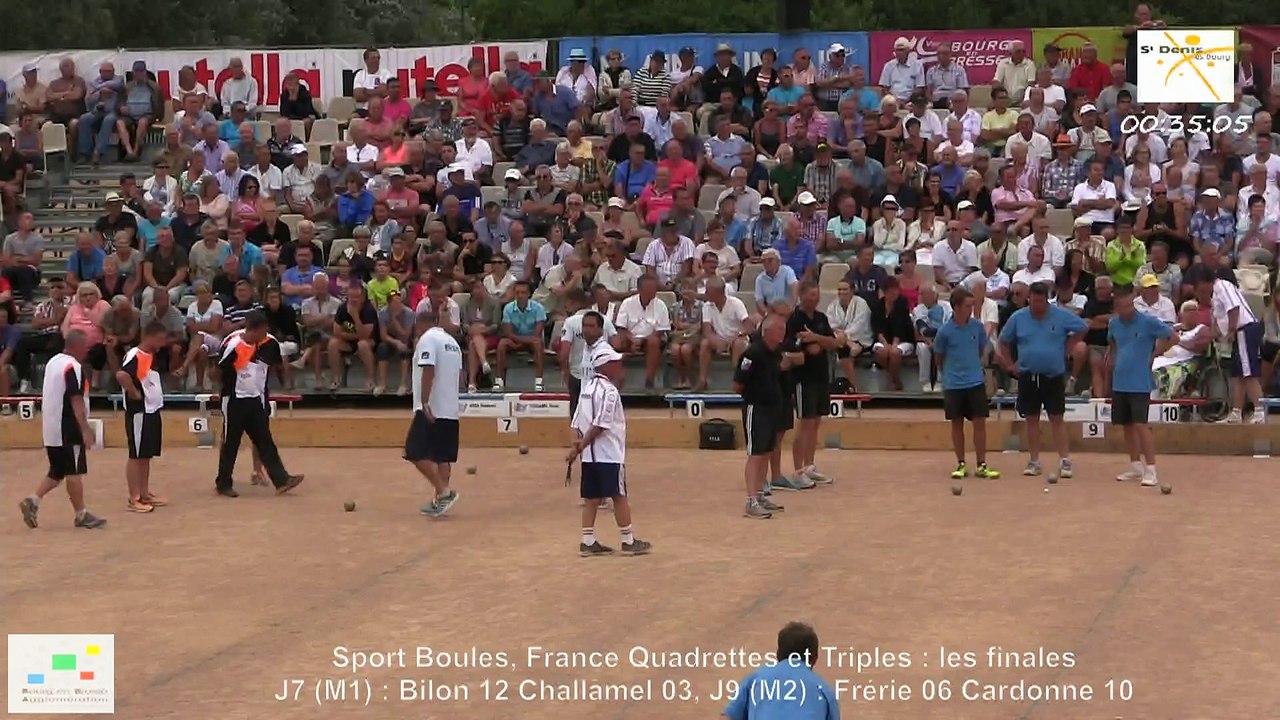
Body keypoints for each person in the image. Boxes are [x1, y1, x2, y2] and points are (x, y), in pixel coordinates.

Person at [17, 330, 108, 530]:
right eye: (84, 347)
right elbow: (75, 398)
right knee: (74, 471)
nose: (86, 351)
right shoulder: (72, 366)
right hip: (68, 428)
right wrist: (85, 428)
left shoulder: (53, 362)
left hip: (51, 428)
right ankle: (81, 514)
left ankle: (33, 501)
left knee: (57, 471)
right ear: (76, 346)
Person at [996, 281, 1087, 478]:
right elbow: (1003, 341)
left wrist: (1068, 346)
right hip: (1028, 375)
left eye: (1041, 301)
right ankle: (1034, 461)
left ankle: (1065, 460)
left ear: (1047, 300)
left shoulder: (1060, 315)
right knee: (1031, 420)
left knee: (1057, 419)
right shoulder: (1018, 317)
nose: (1037, 305)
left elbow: (1081, 327)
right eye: (1034, 301)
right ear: (1029, 299)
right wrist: (1011, 365)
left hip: (1053, 375)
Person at [567, 344, 651, 557]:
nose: (620, 366)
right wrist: (580, 447)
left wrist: (576, 447)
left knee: (592, 498)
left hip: (589, 458)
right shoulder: (610, 392)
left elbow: (576, 423)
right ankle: (628, 540)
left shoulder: (586, 390)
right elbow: (601, 425)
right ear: (606, 366)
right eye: (616, 363)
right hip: (609, 454)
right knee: (619, 495)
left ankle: (587, 540)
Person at [214, 312, 305, 497]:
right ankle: (223, 483)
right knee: (231, 442)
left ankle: (281, 480)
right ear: (254, 330)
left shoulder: (270, 343)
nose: (266, 334)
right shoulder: (233, 345)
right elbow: (216, 371)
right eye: (263, 331)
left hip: (256, 399)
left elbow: (272, 367)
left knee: (265, 440)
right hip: (234, 400)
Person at [733, 313, 801, 519]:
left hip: (773, 409)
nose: (783, 333)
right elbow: (738, 384)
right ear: (768, 332)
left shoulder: (776, 353)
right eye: (780, 330)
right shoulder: (753, 353)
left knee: (765, 452)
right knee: (755, 454)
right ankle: (751, 500)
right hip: (757, 408)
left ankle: (761, 495)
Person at [1107, 288, 1176, 486]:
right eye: (1122, 306)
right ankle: (1135, 466)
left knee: (1140, 425)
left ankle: (1151, 469)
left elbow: (1173, 337)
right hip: (1120, 380)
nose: (1127, 309)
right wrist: (1113, 362)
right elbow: (1112, 345)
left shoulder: (1148, 321)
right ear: (1116, 308)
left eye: (1130, 305)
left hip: (1139, 382)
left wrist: (1154, 355)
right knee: (1126, 425)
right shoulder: (1113, 324)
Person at [935, 286, 1000, 480]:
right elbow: (939, 356)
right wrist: (948, 374)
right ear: (956, 307)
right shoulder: (945, 332)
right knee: (957, 424)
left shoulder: (977, 327)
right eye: (967, 306)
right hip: (954, 384)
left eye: (972, 305)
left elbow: (980, 349)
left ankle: (981, 464)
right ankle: (961, 463)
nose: (971, 310)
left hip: (975, 382)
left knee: (980, 423)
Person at [406, 306, 465, 517]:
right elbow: (459, 376)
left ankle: (443, 492)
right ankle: (440, 499)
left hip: (432, 407)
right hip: (450, 408)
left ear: (420, 325)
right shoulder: (452, 343)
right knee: (442, 456)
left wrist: (424, 401)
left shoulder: (428, 339)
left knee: (414, 451)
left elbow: (428, 367)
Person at [722, 621, 839, 720]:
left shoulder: (756, 678)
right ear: (815, 657)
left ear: (777, 654)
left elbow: (727, 717)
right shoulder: (824, 690)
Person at [785, 282, 839, 487]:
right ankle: (798, 470)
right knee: (805, 423)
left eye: (817, 295)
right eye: (811, 295)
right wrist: (811, 348)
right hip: (802, 379)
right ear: (801, 295)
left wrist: (816, 338)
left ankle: (809, 466)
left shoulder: (821, 318)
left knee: (815, 423)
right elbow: (792, 347)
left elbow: (833, 343)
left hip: (821, 376)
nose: (815, 299)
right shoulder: (795, 319)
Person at [1200, 271, 1267, 424]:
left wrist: (1231, 330)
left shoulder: (1222, 285)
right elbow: (1218, 323)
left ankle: (1259, 410)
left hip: (1244, 330)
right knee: (1238, 375)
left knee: (1248, 372)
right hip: (1239, 333)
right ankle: (1236, 413)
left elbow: (1234, 308)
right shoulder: (1215, 296)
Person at [116, 321, 170, 513]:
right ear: (149, 336)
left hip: (151, 410)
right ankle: (134, 497)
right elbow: (122, 375)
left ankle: (145, 493)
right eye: (160, 339)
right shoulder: (135, 355)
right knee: (136, 454)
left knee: (145, 454)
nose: (162, 344)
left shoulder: (149, 356)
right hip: (139, 411)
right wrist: (133, 393)